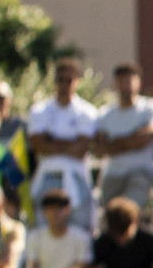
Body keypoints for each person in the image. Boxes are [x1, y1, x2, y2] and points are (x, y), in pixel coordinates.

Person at [26, 57, 100, 232]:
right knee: (43, 230)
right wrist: (71, 142)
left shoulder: (87, 111)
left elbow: (81, 149)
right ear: (54, 81)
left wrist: (51, 139)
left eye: (69, 80)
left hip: (77, 177)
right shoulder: (39, 110)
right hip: (47, 176)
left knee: (80, 229)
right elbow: (38, 145)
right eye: (60, 79)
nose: (65, 84)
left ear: (77, 81)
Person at [92, 62, 153, 213]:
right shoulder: (105, 114)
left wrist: (115, 144)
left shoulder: (151, 107)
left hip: (140, 173)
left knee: (130, 214)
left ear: (139, 83)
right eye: (121, 81)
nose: (125, 85)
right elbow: (99, 149)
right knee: (110, 218)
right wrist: (133, 139)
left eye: (129, 81)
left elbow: (145, 138)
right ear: (115, 84)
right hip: (112, 174)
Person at [26, 190, 91, 268]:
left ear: (68, 210)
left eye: (59, 208)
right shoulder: (34, 237)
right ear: (44, 212)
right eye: (50, 209)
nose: (55, 213)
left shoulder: (81, 237)